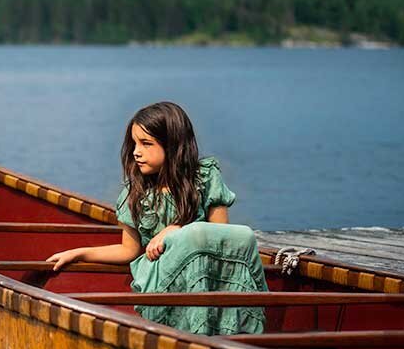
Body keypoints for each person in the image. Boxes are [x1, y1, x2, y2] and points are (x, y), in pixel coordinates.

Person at [45, 101, 267, 335]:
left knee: (235, 235)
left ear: (172, 146)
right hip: (163, 278)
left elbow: (222, 236)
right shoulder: (137, 193)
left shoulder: (205, 177)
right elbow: (128, 250)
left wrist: (176, 230)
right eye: (134, 143)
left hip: (209, 274)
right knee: (193, 236)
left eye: (146, 143)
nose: (136, 152)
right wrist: (79, 253)